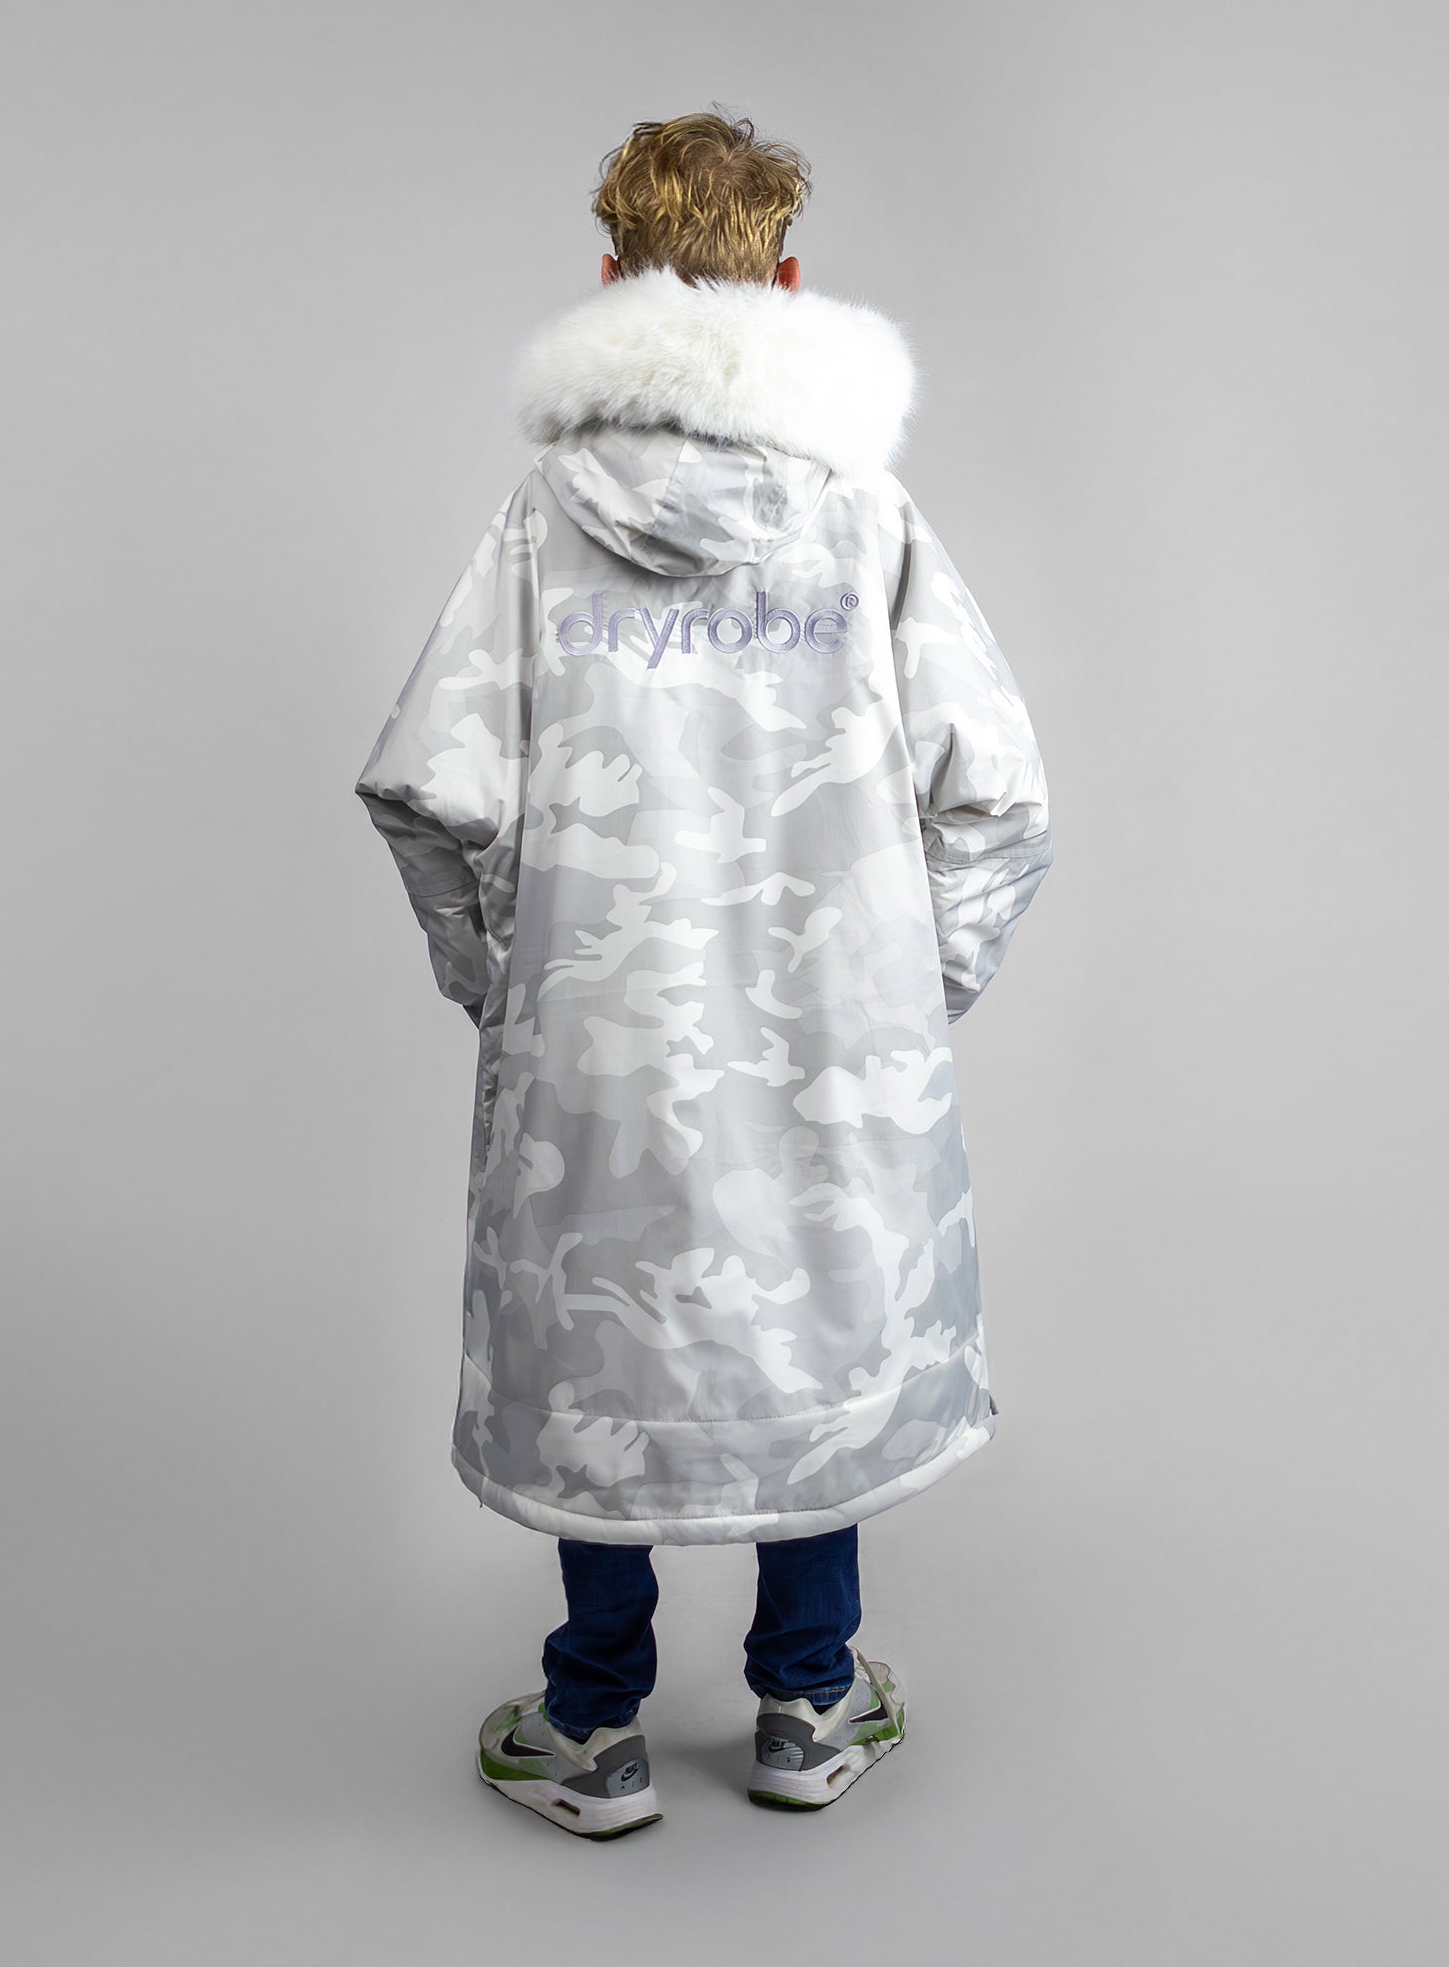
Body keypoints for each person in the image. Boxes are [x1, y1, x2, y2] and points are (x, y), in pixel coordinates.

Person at [356, 111, 1053, 1838]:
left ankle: (590, 1722)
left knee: (608, 1333)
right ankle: (810, 1699)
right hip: (832, 1040)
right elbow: (997, 794)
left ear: (612, 277)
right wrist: (913, 986)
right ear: (788, 281)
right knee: (813, 1312)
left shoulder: (544, 523)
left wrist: (504, 981)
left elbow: (430, 785)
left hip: (601, 1045)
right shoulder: (864, 515)